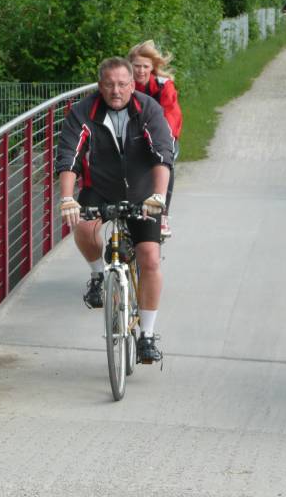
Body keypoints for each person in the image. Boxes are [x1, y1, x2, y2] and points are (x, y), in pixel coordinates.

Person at [55, 57, 175, 363]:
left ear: (133, 85)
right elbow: (69, 155)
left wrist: (159, 197)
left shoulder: (147, 109)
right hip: (101, 187)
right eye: (109, 84)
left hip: (143, 191)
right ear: (100, 86)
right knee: (82, 227)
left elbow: (163, 154)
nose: (116, 90)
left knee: (149, 258)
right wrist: (68, 197)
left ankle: (147, 335)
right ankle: (98, 276)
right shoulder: (82, 112)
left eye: (122, 84)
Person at [127, 40, 182, 238]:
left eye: (145, 67)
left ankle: (163, 214)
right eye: (136, 66)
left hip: (163, 133)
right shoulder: (124, 85)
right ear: (129, 66)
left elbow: (171, 115)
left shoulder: (163, 86)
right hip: (135, 133)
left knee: (166, 162)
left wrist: (163, 142)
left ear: (153, 67)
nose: (141, 71)